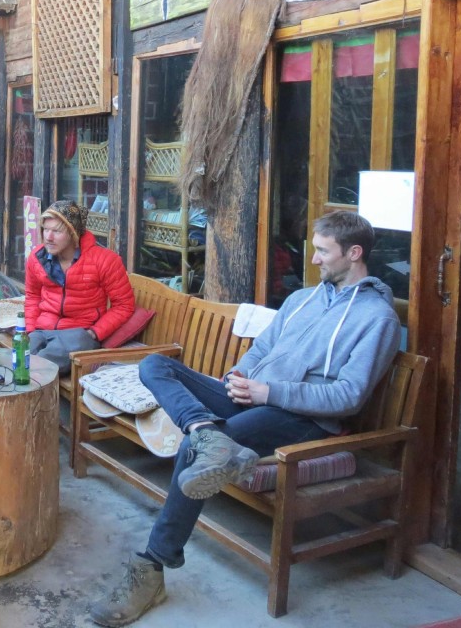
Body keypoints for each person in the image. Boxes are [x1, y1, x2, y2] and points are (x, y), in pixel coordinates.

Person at [88, 210, 402, 627]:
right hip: (254, 397)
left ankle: (152, 567)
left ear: (355, 253)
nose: (314, 260)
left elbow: (349, 397)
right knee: (155, 366)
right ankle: (204, 429)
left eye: (323, 252)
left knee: (190, 450)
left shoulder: (377, 319)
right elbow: (261, 350)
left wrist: (267, 392)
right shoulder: (302, 299)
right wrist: (238, 376)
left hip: (302, 418)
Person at [25, 199, 135, 374]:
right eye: (46, 229)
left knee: (37, 368)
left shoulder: (106, 260)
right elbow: (32, 296)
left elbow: (124, 305)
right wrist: (30, 330)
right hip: (42, 329)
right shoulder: (37, 257)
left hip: (79, 332)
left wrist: (94, 333)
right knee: (17, 357)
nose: (48, 237)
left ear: (73, 233)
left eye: (56, 231)